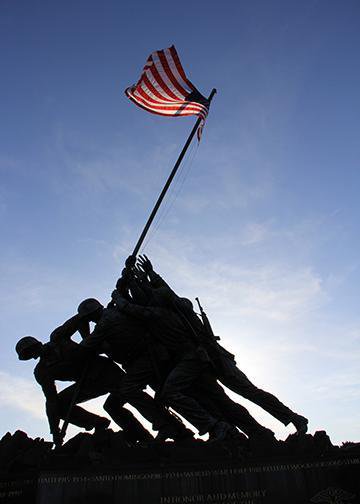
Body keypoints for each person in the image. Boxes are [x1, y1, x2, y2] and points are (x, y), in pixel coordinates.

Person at [132, 255, 309, 436]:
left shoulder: (181, 309)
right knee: (223, 402)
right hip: (203, 362)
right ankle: (247, 432)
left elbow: (165, 294)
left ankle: (294, 418)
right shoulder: (172, 312)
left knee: (250, 392)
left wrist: (151, 275)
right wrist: (139, 279)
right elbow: (154, 297)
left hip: (215, 357)